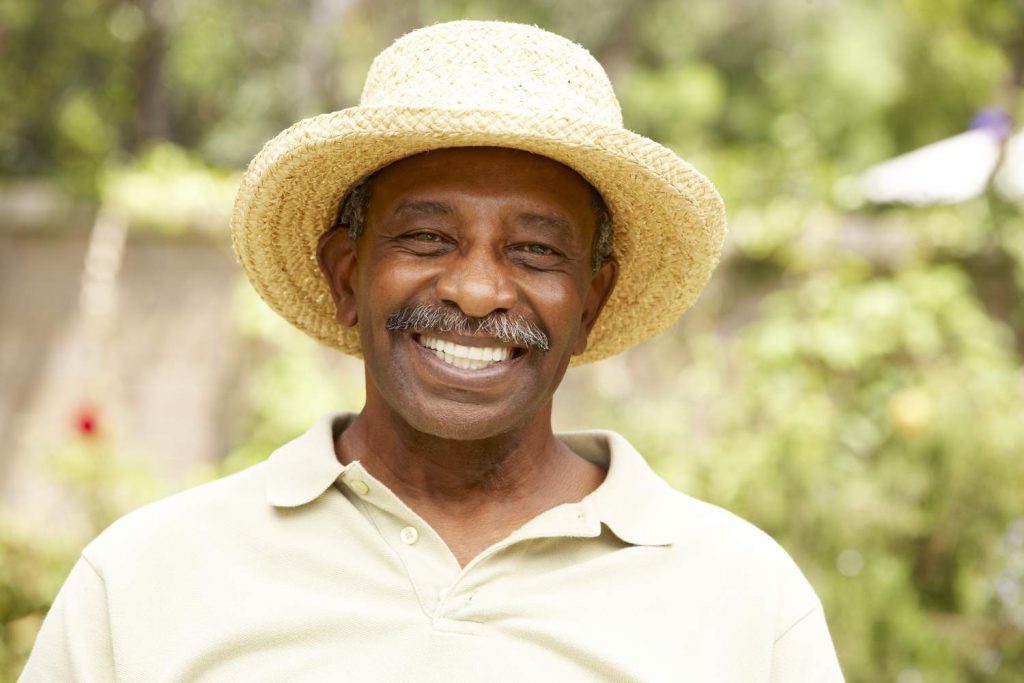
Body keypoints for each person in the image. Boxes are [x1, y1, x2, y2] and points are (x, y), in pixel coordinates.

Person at [21, 20, 844, 682]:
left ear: (592, 302)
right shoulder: (143, 583)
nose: (477, 291)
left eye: (535, 251)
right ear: (347, 275)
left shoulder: (743, 598)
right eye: (426, 237)